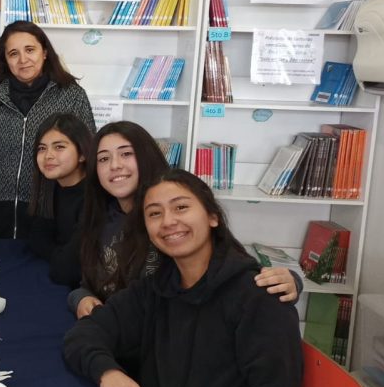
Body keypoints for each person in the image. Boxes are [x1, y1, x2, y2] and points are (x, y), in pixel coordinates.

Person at [63, 169, 303, 387]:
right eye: (155, 213)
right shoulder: (154, 289)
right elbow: (85, 332)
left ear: (212, 216)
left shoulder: (259, 296)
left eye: (181, 207)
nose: (167, 222)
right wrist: (107, 372)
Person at [68, 121, 300, 319]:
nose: (115, 165)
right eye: (103, 159)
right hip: (116, 335)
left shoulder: (175, 224)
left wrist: (291, 282)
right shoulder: (99, 218)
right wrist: (81, 298)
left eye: (126, 154)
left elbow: (235, 271)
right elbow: (87, 283)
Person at [0, 21, 94, 239]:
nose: (23, 60)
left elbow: (87, 160)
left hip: (48, 212)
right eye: (13, 53)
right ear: (6, 61)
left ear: (45, 52)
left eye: (30, 50)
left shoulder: (72, 96)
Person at [24, 112, 93, 286]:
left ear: (82, 154)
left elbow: (67, 270)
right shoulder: (53, 186)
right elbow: (36, 237)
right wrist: (60, 254)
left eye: (59, 147)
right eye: (42, 148)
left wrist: (60, 255)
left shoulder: (94, 197)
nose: (48, 155)